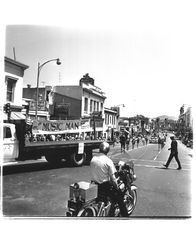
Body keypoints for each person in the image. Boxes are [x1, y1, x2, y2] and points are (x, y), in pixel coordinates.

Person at [90, 142, 129, 217]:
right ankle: (125, 217)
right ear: (107, 150)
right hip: (104, 186)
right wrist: (117, 186)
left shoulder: (93, 158)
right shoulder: (108, 161)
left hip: (93, 184)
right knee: (120, 199)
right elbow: (113, 178)